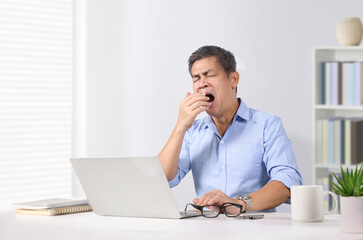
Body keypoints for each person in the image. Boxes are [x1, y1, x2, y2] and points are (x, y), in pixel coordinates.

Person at [158, 45, 302, 213]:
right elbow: (162, 179)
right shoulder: (192, 132)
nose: (202, 84)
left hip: (256, 230)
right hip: (207, 228)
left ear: (234, 79)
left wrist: (238, 204)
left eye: (209, 75)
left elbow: (288, 182)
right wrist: (180, 127)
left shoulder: (267, 125)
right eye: (196, 78)